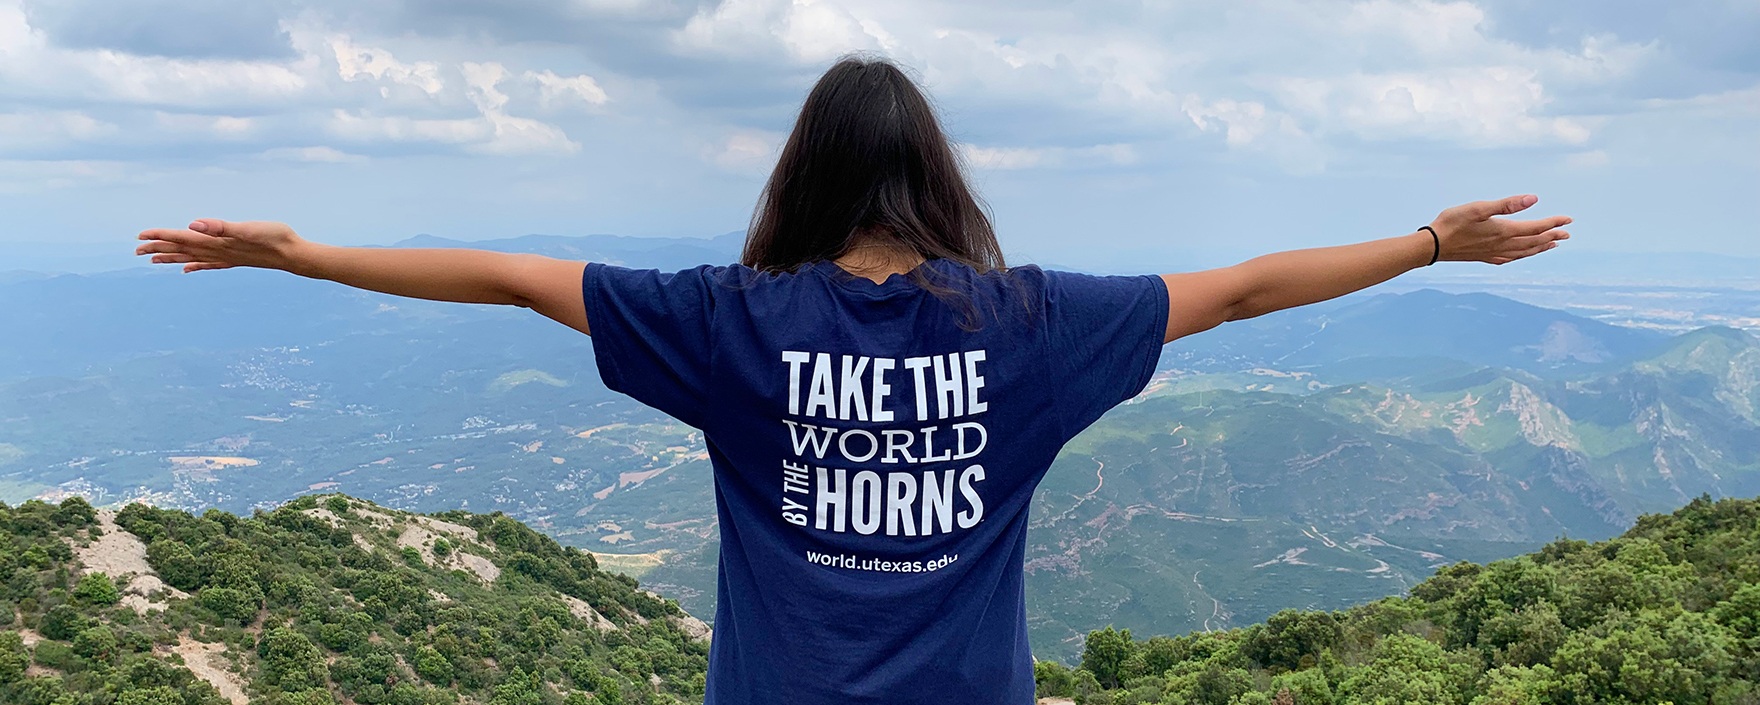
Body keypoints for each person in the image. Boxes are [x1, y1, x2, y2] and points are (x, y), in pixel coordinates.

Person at [134, 56, 1571, 704]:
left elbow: (515, 274)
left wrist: (302, 254)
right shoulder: (1029, 324)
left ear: (801, 177)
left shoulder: (730, 322)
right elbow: (1249, 286)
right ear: (935, 178)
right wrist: (1437, 242)